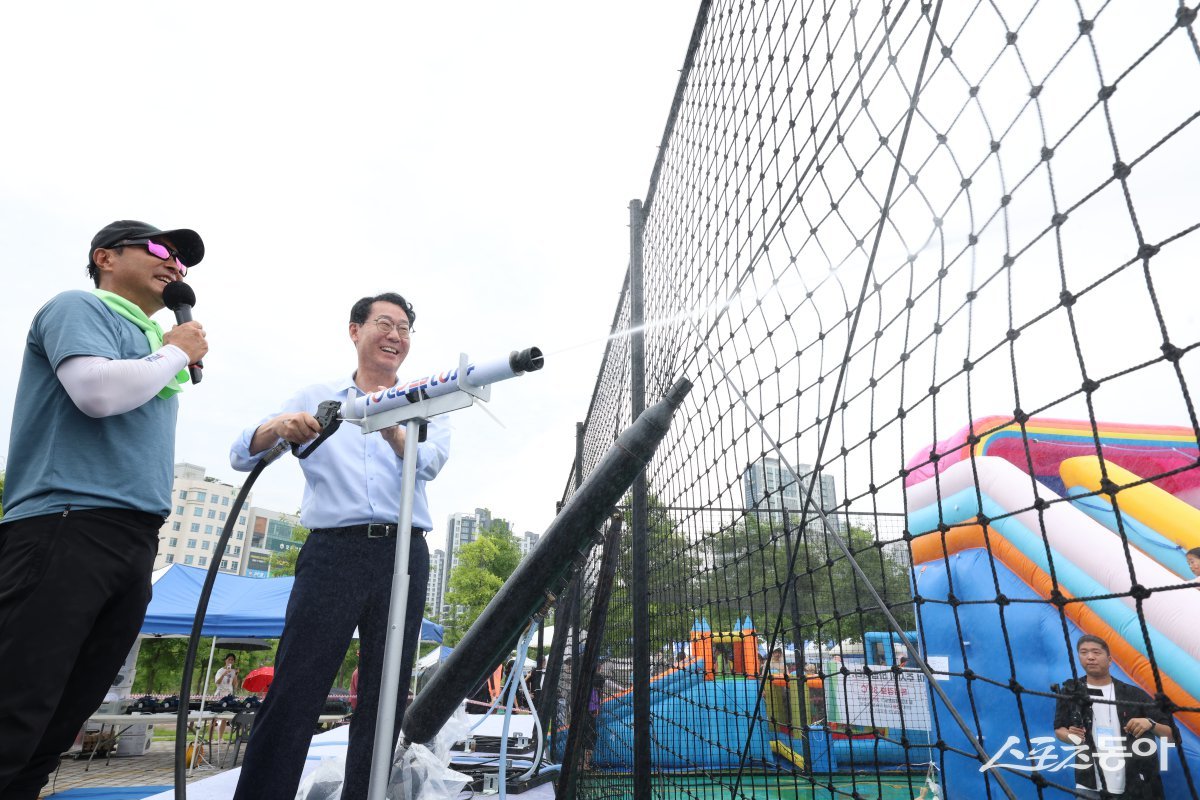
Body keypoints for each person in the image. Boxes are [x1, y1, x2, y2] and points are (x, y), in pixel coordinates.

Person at [0, 220, 208, 799]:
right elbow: (96, 393)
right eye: (161, 250)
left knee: (65, 715)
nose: (175, 265)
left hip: (134, 536)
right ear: (105, 257)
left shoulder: (153, 343)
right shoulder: (80, 307)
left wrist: (165, 350)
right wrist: (175, 349)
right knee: (19, 704)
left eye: (183, 261)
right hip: (65, 524)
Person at [229, 293, 450, 800]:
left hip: (404, 554)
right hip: (334, 552)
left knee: (386, 690)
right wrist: (279, 426)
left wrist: (391, 425)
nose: (396, 336)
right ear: (355, 331)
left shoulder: (430, 398)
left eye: (405, 328)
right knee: (296, 685)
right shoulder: (318, 394)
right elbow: (243, 453)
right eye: (385, 324)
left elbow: (431, 463)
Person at [1053, 635, 1175, 799]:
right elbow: (1059, 728)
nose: (1090, 657)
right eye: (1084, 652)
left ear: (1109, 660)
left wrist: (1150, 723)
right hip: (1088, 785)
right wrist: (1070, 737)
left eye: (1096, 652)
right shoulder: (1071, 691)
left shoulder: (1134, 694)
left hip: (1135, 786)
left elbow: (1173, 736)